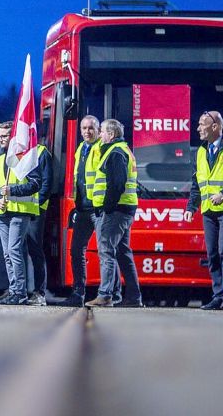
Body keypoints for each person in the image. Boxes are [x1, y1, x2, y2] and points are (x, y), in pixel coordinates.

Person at [183, 110, 223, 310]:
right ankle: (218, 295)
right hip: (208, 210)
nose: (198, 128)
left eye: (202, 124)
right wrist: (191, 206)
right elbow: (197, 182)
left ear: (215, 127)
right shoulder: (200, 151)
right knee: (212, 254)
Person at [86, 119, 143, 308]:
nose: (100, 135)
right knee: (123, 252)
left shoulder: (115, 152)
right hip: (124, 208)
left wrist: (107, 207)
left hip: (115, 210)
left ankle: (105, 295)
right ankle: (133, 297)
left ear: (111, 135)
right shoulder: (122, 150)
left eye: (102, 131)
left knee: (106, 251)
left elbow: (117, 183)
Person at [0, 122, 43, 305]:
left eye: (5, 136)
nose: (1, 139)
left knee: (13, 250)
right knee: (7, 253)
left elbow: (35, 184)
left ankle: (20, 293)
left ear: (13, 137)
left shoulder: (27, 158)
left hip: (21, 211)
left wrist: (12, 191)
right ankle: (14, 291)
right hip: (3, 212)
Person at [65, 115, 102, 306]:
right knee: (76, 250)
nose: (87, 132)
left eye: (91, 128)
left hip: (98, 209)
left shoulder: (101, 148)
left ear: (98, 130)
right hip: (82, 209)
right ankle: (78, 293)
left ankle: (110, 294)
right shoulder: (81, 149)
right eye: (84, 128)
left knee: (106, 252)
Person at [23, 142, 52, 306]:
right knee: (16, 251)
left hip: (36, 211)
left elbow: (46, 184)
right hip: (18, 209)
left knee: (35, 251)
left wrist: (35, 206)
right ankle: (18, 290)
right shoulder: (16, 150)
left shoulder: (42, 152)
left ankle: (39, 292)